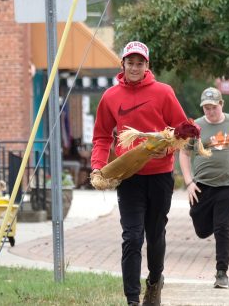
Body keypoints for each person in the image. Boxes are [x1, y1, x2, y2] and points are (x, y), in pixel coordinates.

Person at [90, 41, 188, 306]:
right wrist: (98, 167)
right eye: (130, 63)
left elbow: (183, 130)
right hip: (128, 176)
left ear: (147, 66)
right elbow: (101, 136)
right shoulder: (110, 96)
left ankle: (155, 282)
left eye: (140, 63)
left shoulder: (163, 92)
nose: (135, 67)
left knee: (155, 235)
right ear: (122, 64)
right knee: (132, 237)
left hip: (160, 176)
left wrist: (167, 149)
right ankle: (132, 299)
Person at [178, 87, 229, 290]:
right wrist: (189, 182)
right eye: (206, 108)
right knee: (202, 229)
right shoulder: (196, 127)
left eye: (213, 107)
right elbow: (184, 155)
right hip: (202, 185)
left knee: (222, 228)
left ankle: (221, 273)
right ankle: (211, 220)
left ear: (221, 105)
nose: (210, 111)